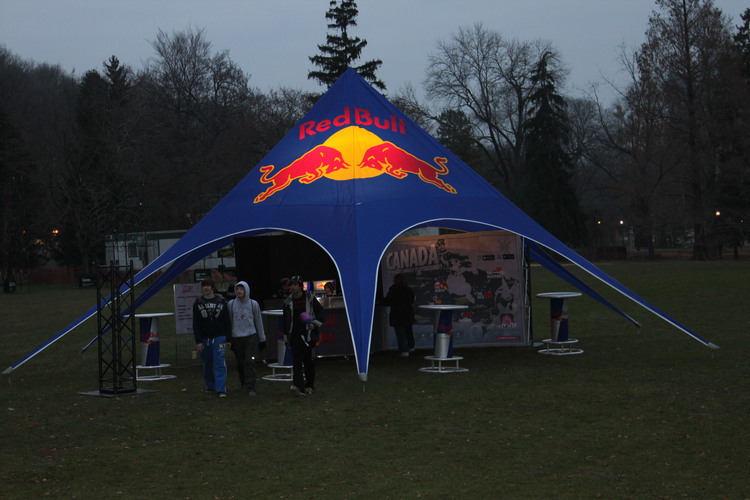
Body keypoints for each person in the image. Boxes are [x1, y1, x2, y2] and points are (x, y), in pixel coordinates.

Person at [283, 275, 325, 396]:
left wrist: (314, 324)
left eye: (295, 285)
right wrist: (286, 336)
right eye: (291, 285)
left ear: (301, 286)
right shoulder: (287, 302)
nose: (292, 287)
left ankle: (309, 386)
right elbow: (286, 320)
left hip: (309, 336)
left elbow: (321, 313)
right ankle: (298, 387)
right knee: (297, 362)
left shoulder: (310, 298)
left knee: (309, 362)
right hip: (295, 335)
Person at [193, 279, 232, 397]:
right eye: (204, 286)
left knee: (219, 362)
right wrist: (198, 341)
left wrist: (228, 338)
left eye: (208, 286)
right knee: (207, 363)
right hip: (205, 338)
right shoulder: (198, 303)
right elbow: (196, 323)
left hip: (219, 336)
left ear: (213, 287)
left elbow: (227, 321)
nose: (206, 288)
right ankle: (210, 386)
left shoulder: (221, 302)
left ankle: (221, 389)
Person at [228, 281, 266, 396]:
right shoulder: (231, 304)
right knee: (240, 362)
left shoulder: (253, 304)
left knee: (250, 361)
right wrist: (229, 338)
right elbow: (230, 322)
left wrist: (262, 338)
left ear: (246, 290)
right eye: (237, 289)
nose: (239, 291)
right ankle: (243, 383)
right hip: (236, 337)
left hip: (250, 336)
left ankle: (251, 386)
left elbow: (258, 321)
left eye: (242, 289)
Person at [381, 273, 416, 357]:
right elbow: (412, 300)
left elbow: (387, 302)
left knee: (401, 334)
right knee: (408, 332)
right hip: (408, 313)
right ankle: (411, 347)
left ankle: (404, 351)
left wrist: (380, 300)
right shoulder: (408, 289)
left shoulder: (393, 290)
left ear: (395, 280)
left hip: (397, 314)